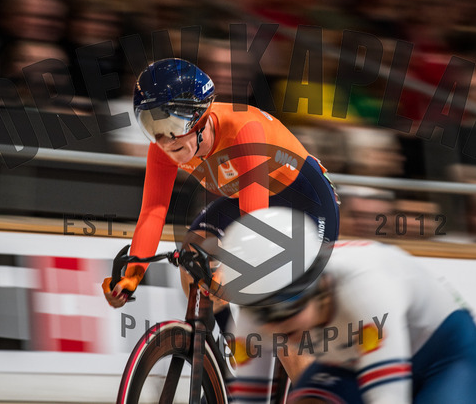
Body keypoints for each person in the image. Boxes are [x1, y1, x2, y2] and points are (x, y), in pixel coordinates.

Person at [101, 58, 340, 383]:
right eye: (151, 124)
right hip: (252, 198)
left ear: (198, 116)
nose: (165, 140)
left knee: (280, 320)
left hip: (306, 202)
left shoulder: (244, 130)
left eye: (171, 123)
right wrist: (133, 274)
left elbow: (256, 224)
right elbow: (154, 210)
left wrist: (233, 269)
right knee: (192, 261)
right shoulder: (163, 149)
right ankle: (235, 355)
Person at [211, 206, 476, 404]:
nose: (276, 328)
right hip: (347, 361)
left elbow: (388, 398)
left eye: (285, 310)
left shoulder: (366, 289)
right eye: (262, 315)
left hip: (444, 354)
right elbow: (248, 399)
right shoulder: (250, 317)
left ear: (318, 287)